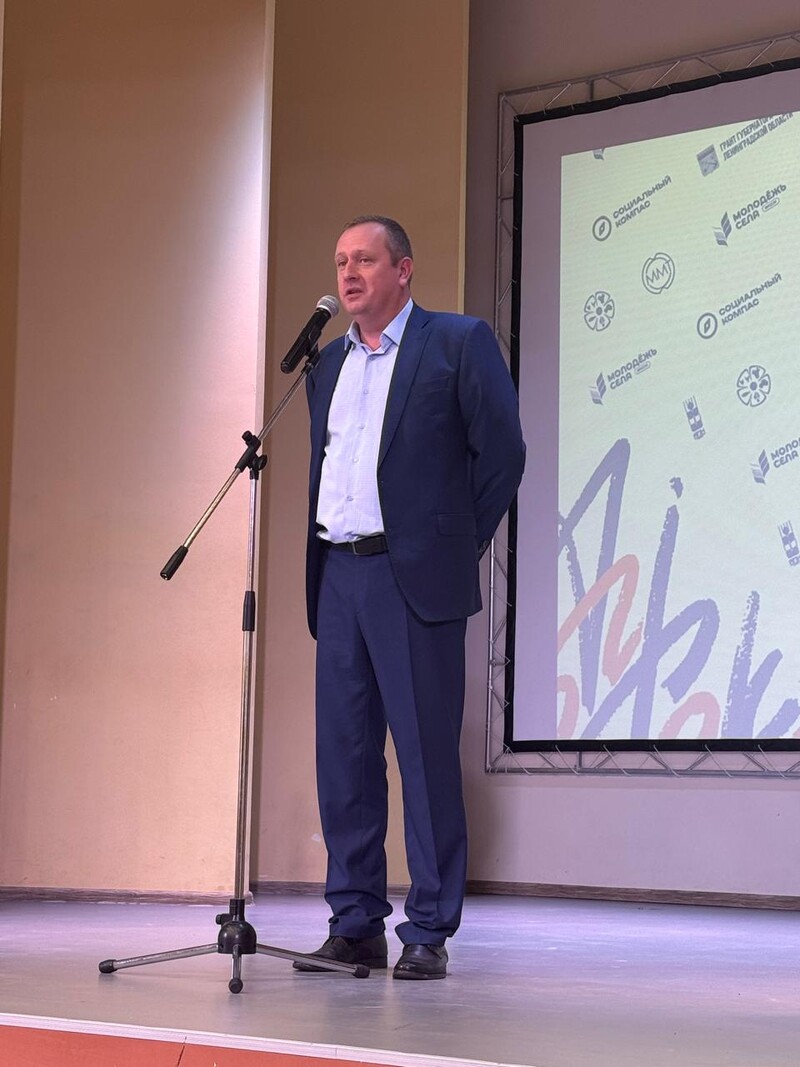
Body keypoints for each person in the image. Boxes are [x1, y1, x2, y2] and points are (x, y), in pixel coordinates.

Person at [295, 215, 525, 980]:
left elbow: (503, 453)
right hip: (339, 573)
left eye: (365, 259)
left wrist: (452, 544)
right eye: (340, 260)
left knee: (424, 755)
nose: (348, 273)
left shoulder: (456, 342)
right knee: (345, 758)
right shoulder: (327, 363)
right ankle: (354, 921)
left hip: (411, 577)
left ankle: (427, 925)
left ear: (404, 269)